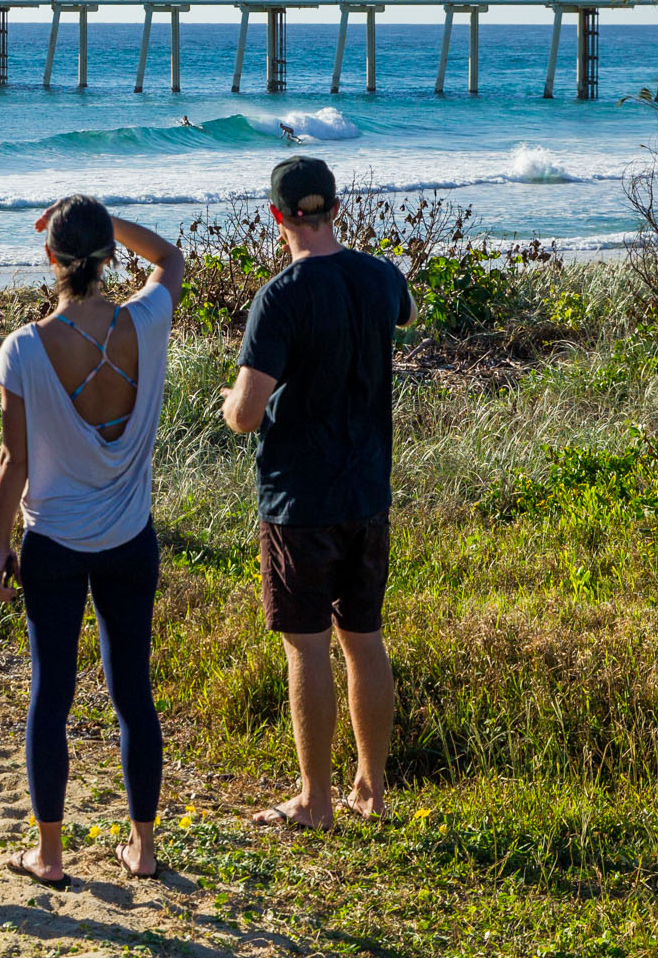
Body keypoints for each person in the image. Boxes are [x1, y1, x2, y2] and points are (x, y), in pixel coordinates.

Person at [0, 196, 185, 886]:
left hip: (55, 544)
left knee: (53, 695)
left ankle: (47, 855)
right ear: (109, 259)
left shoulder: (23, 348)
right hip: (130, 538)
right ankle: (145, 848)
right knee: (134, 690)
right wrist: (113, 219)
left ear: (49, 259)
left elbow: (15, 463)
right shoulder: (147, 321)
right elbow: (171, 259)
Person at [219, 156, 415, 831]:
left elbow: (246, 414)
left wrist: (227, 404)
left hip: (299, 499)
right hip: (367, 491)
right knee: (365, 639)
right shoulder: (379, 277)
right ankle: (373, 790)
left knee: (305, 647)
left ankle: (315, 800)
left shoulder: (282, 295)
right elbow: (403, 307)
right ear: (335, 207)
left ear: (276, 216)